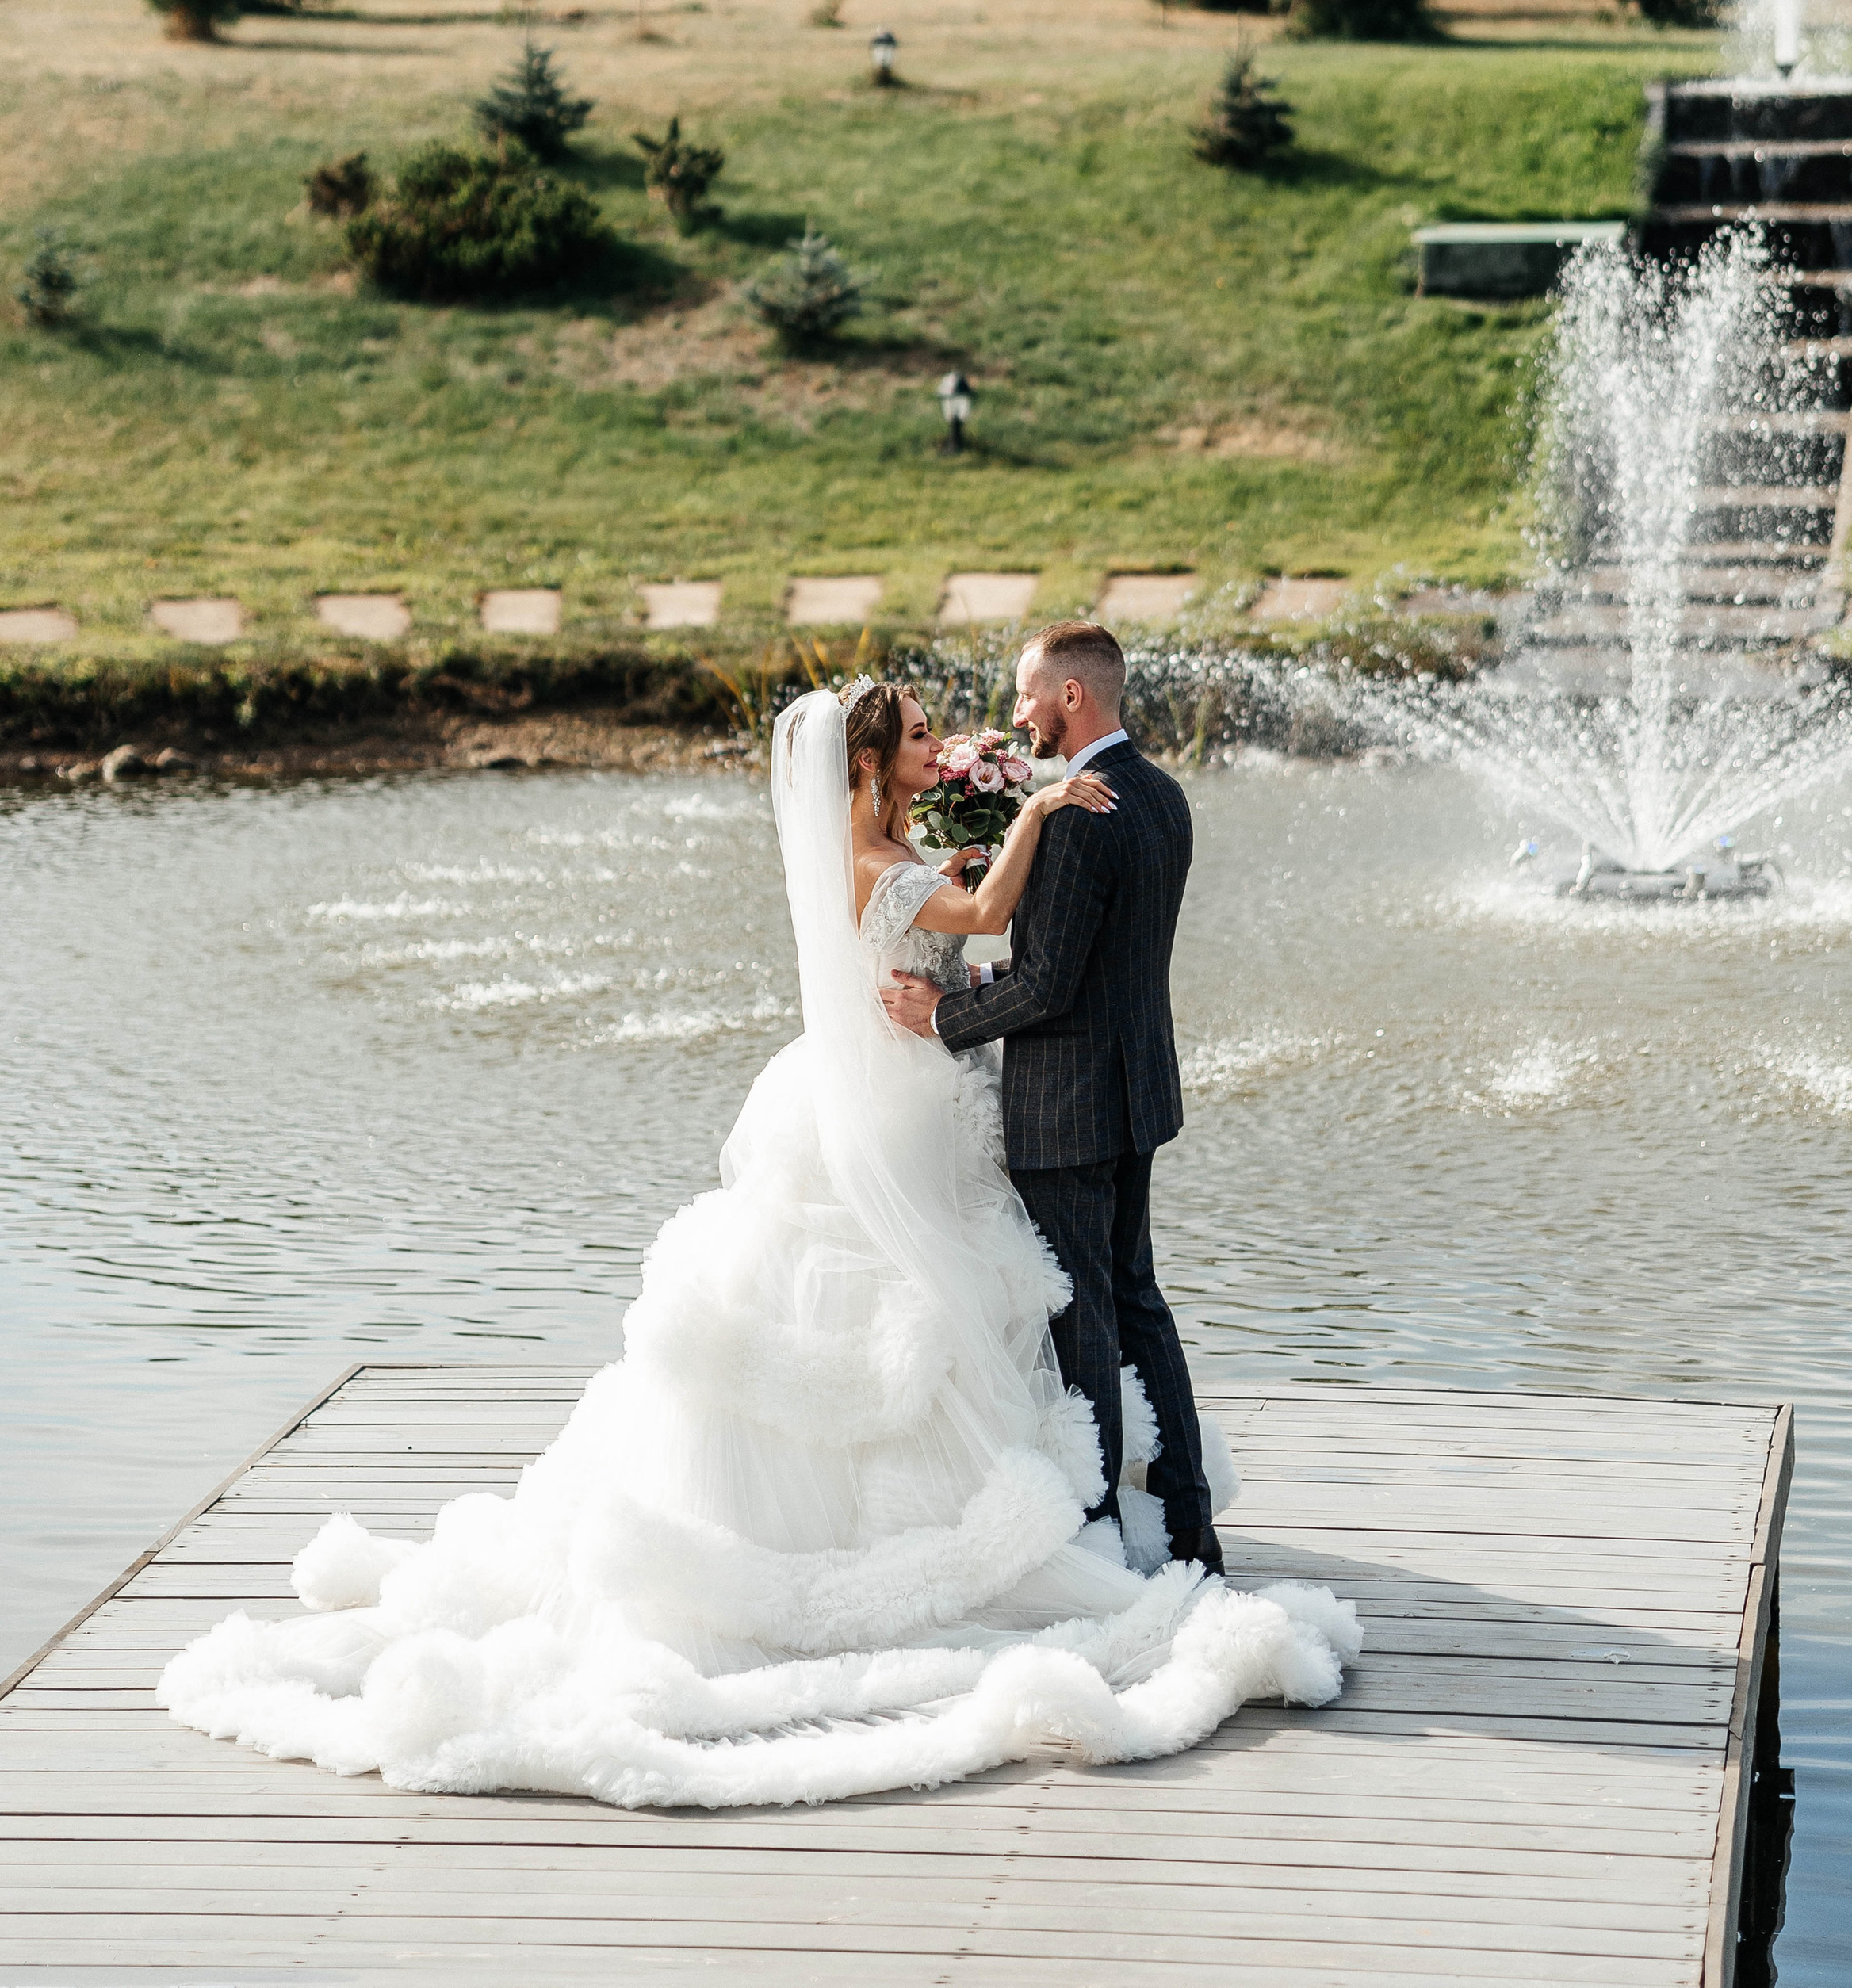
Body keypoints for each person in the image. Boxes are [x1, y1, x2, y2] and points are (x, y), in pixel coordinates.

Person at [159, 681, 1356, 1811]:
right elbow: (982, 918)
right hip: (896, 1102)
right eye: (920, 735)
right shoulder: (874, 861)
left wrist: (981, 871)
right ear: (869, 763)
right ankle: (914, 1533)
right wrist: (1037, 812)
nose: (941, 744)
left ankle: (1041, 1498)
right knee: (906, 1292)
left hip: (918, 1083)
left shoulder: (891, 846)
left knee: (973, 1290)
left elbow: (959, 923)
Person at [879, 622, 1222, 1569]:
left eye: (1029, 693)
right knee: (1137, 1300)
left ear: (1072, 695)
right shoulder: (1161, 793)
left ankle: (1098, 1533)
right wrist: (983, 971)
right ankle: (1188, 1519)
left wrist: (942, 1016)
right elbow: (1092, 962)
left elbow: (1048, 987)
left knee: (1083, 1321)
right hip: (1138, 1092)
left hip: (1067, 1110)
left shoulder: (1077, 812)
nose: (1019, 711)